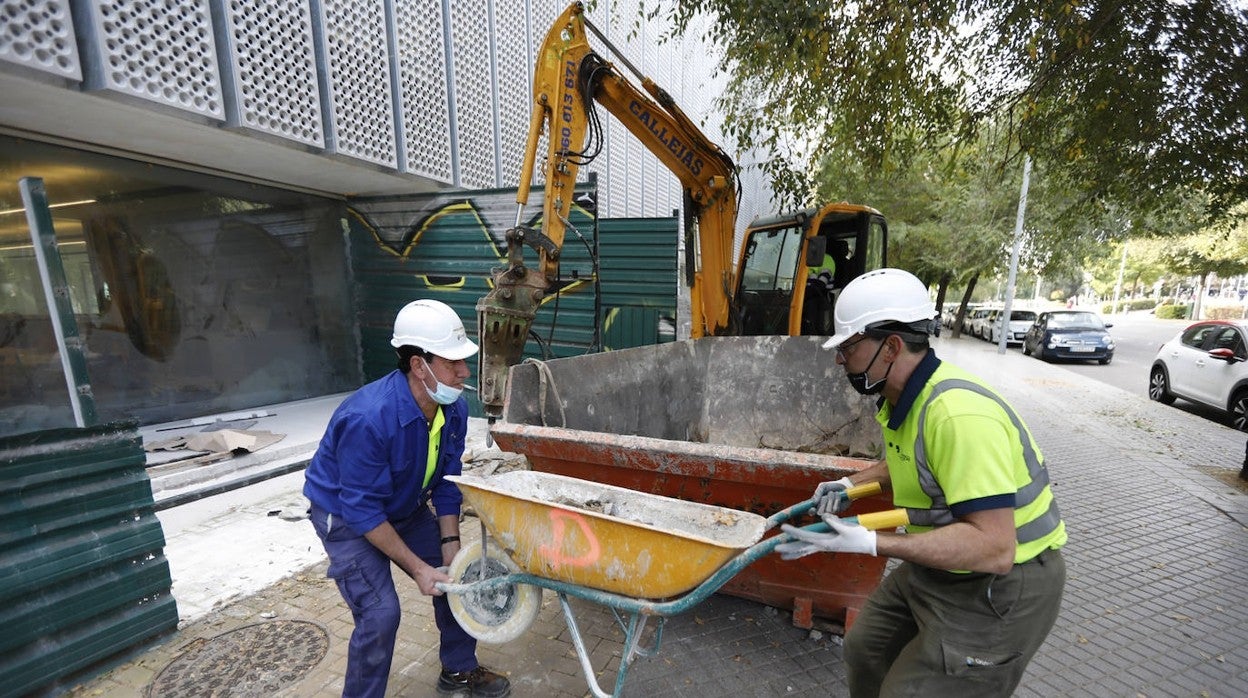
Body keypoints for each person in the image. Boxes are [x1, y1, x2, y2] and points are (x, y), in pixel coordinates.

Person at [778, 268, 1067, 697]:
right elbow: (907, 466)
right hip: (944, 566)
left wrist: (871, 541)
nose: (841, 360)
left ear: (891, 347)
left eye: (850, 347)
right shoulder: (905, 399)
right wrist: (849, 484)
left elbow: (995, 548)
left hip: (1001, 586)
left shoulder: (957, 417)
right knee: (865, 649)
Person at [304, 299, 510, 698]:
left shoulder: (453, 409)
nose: (465, 372)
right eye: (454, 363)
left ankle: (458, 669)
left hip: (403, 505)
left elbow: (449, 480)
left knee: (456, 578)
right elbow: (361, 510)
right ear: (420, 365)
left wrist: (450, 546)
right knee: (381, 614)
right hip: (346, 518)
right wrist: (418, 568)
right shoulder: (368, 418)